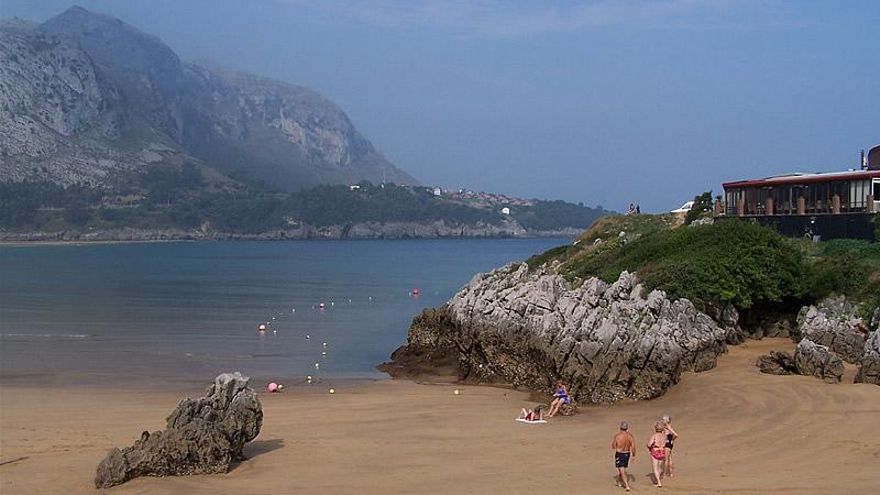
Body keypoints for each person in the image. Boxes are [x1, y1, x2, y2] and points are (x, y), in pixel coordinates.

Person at [611, 421, 636, 491]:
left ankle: (626, 485)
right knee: (622, 469)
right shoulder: (630, 436)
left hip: (620, 453)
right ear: (627, 428)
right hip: (627, 453)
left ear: (620, 428)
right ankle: (619, 481)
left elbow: (613, 446)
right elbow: (633, 447)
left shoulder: (617, 436)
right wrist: (633, 455)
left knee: (621, 469)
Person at [647, 422, 667, 487]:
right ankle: (658, 479)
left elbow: (649, 444)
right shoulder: (664, 436)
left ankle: (658, 482)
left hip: (655, 451)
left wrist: (649, 447)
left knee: (655, 467)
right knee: (660, 467)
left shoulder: (654, 436)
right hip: (662, 451)